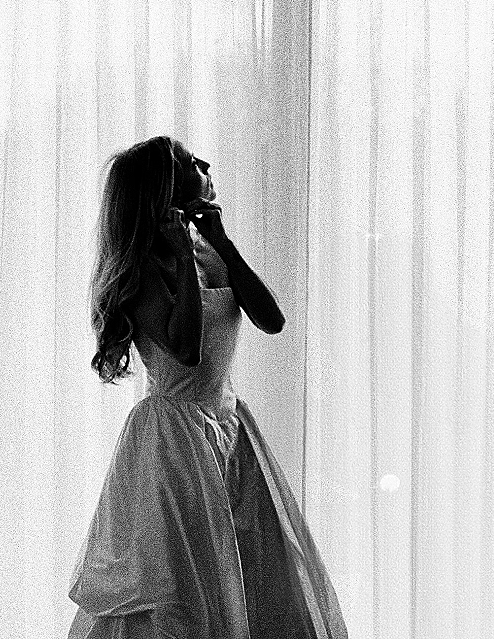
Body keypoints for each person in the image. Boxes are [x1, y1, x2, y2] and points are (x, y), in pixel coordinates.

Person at [66, 135, 348, 639]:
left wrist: (220, 243)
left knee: (249, 577)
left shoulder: (208, 255)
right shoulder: (143, 268)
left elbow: (271, 318)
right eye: (190, 161)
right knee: (184, 586)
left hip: (230, 428)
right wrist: (177, 252)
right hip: (174, 438)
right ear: (163, 188)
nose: (206, 164)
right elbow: (187, 349)